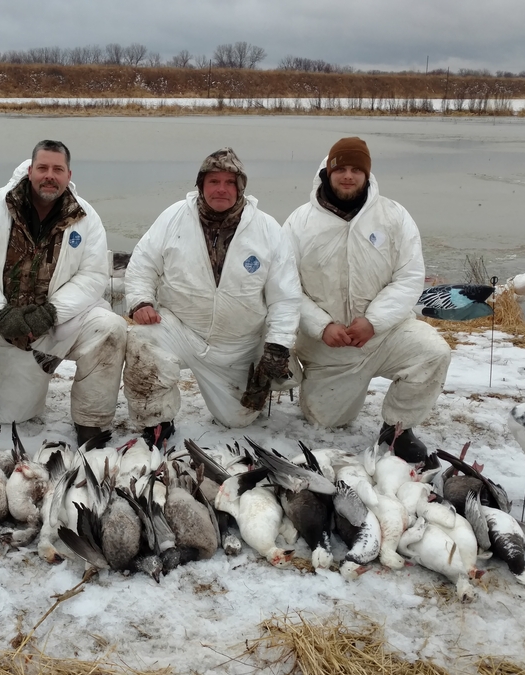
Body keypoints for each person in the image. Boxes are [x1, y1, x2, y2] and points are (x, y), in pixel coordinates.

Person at [283, 137, 451, 461]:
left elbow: (409, 276)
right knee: (326, 421)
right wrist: (321, 326)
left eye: (356, 169)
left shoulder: (394, 216)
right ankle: (312, 384)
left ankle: (397, 430)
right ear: (327, 172)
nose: (348, 176)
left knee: (433, 353)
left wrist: (374, 322)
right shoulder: (299, 223)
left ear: (367, 174)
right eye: (341, 169)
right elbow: (286, 287)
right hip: (329, 348)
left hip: (385, 336)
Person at [122, 148, 301, 445]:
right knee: (142, 341)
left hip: (237, 345)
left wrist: (278, 345)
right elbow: (143, 263)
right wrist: (141, 301)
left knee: (237, 420)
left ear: (241, 187)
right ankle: (157, 423)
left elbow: (286, 297)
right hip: (181, 329)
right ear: (200, 185)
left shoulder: (268, 229)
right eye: (213, 181)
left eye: (230, 182)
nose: (221, 189)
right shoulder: (173, 217)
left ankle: (262, 378)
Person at [0, 140, 126, 449]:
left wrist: (51, 313)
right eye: (43, 168)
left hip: (58, 323)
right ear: (30, 169)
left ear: (68, 174)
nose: (49, 175)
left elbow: (92, 276)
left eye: (57, 169)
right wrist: (0, 313)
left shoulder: (86, 216)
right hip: (1, 329)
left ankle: (91, 423)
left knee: (110, 329)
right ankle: (23, 386)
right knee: (13, 417)